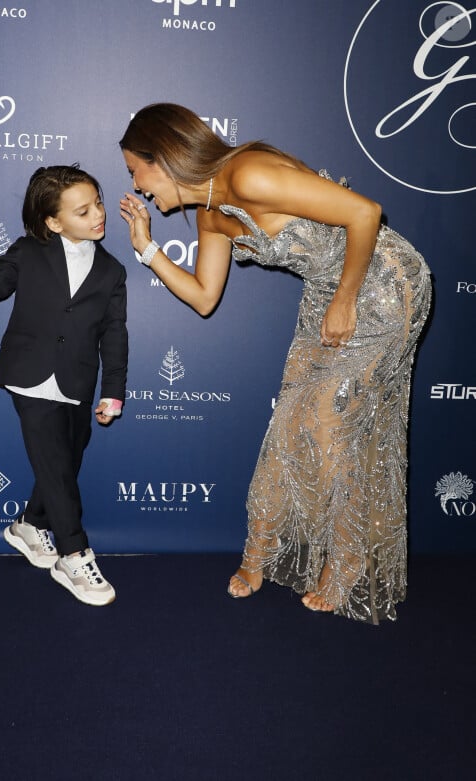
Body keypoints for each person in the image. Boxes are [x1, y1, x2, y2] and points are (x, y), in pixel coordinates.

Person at [119, 103, 431, 624]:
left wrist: (346, 298)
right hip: (326, 297)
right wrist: (148, 248)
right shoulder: (209, 214)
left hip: (381, 286)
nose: (138, 185)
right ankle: (260, 554)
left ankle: (349, 559)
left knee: (330, 419)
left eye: (136, 171)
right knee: (288, 425)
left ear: (165, 155)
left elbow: (365, 213)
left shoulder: (248, 173)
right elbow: (203, 297)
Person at [0, 164, 128, 606]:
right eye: (82, 211)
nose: (97, 215)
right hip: (29, 378)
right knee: (57, 468)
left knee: (66, 458)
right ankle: (74, 553)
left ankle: (28, 523)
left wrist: (113, 390)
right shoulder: (29, 251)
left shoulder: (112, 270)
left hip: (78, 383)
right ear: (53, 221)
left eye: (98, 203)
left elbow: (115, 333)